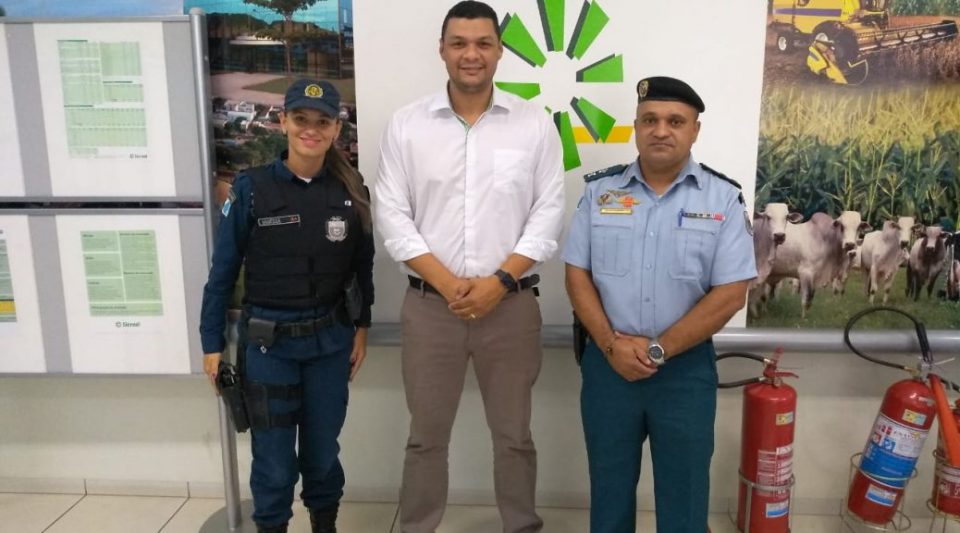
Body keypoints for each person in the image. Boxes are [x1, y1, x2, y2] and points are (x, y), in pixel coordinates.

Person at [373, 2, 565, 531]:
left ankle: (521, 525)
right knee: (425, 438)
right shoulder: (407, 126)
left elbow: (548, 213)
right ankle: (417, 526)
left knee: (515, 437)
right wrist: (448, 284)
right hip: (431, 310)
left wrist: (498, 283)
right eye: (459, 43)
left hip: (511, 307)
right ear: (442, 49)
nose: (471, 54)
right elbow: (392, 214)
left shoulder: (534, 125)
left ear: (500, 51)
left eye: (483, 43)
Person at [562, 76, 756, 533]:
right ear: (636, 127)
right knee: (609, 491)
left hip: (684, 372)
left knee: (685, 497)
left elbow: (731, 291)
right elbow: (576, 275)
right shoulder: (600, 193)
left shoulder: (723, 198)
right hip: (609, 365)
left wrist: (658, 349)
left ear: (695, 130)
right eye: (650, 120)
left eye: (675, 121)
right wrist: (611, 345)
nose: (661, 130)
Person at [199, 79, 374, 533]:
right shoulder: (251, 189)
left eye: (322, 121)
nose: (311, 129)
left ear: (335, 129)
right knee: (275, 464)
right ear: (283, 122)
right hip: (269, 349)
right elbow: (222, 272)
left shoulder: (351, 191)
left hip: (329, 346)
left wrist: (362, 327)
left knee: (322, 455)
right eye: (301, 119)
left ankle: (324, 524)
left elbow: (362, 267)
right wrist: (211, 343)